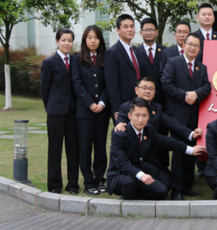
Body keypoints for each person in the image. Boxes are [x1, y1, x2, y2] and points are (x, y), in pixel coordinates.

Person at [106, 98, 205, 200]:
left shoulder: (148, 130)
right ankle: (127, 198)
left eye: (144, 115)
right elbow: (122, 163)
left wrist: (191, 150)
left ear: (148, 116)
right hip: (120, 174)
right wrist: (141, 175)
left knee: (166, 185)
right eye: (137, 115)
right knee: (130, 182)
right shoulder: (119, 134)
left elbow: (166, 141)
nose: (140, 119)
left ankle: (135, 194)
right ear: (129, 116)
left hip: (139, 166)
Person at [162, 33, 212, 200]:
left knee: (192, 152)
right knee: (179, 152)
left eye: (196, 46)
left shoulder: (201, 67)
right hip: (177, 116)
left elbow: (207, 86)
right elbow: (166, 84)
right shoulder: (173, 62)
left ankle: (187, 185)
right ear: (184, 45)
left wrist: (196, 94)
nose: (192, 48)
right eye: (190, 44)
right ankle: (176, 190)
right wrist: (184, 95)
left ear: (199, 49)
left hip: (194, 116)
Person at [114, 76, 202, 172]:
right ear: (136, 90)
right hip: (132, 157)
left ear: (155, 92)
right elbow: (121, 120)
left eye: (151, 89)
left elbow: (171, 122)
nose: (147, 91)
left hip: (153, 156)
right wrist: (119, 123)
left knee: (165, 179)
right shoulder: (126, 107)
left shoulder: (157, 108)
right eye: (144, 88)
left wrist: (191, 133)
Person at [71, 25, 109, 195]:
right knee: (85, 148)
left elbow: (109, 83)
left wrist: (102, 102)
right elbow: (77, 84)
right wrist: (90, 103)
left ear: (100, 40)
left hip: (102, 111)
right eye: (89, 37)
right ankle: (88, 182)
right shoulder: (77, 58)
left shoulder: (106, 58)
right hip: (84, 112)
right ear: (85, 40)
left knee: (100, 148)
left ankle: (100, 179)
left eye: (96, 37)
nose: (93, 41)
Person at [40, 29, 80, 194]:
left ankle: (73, 184)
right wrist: (50, 107)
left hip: (73, 111)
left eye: (69, 40)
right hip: (55, 112)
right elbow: (44, 90)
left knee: (73, 150)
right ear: (57, 41)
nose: (67, 43)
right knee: (55, 151)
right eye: (63, 40)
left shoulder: (75, 60)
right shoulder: (49, 62)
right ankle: (54, 185)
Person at [104, 14, 146, 123]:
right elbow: (112, 85)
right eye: (125, 27)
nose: (130, 29)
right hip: (123, 106)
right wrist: (117, 110)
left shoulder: (136, 51)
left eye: (132, 26)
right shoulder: (112, 53)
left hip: (139, 103)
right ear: (118, 30)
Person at [136, 18, 166, 106]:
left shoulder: (165, 52)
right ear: (141, 33)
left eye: (152, 30)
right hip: (142, 99)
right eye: (146, 30)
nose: (149, 33)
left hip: (162, 97)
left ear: (157, 32)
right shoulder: (135, 52)